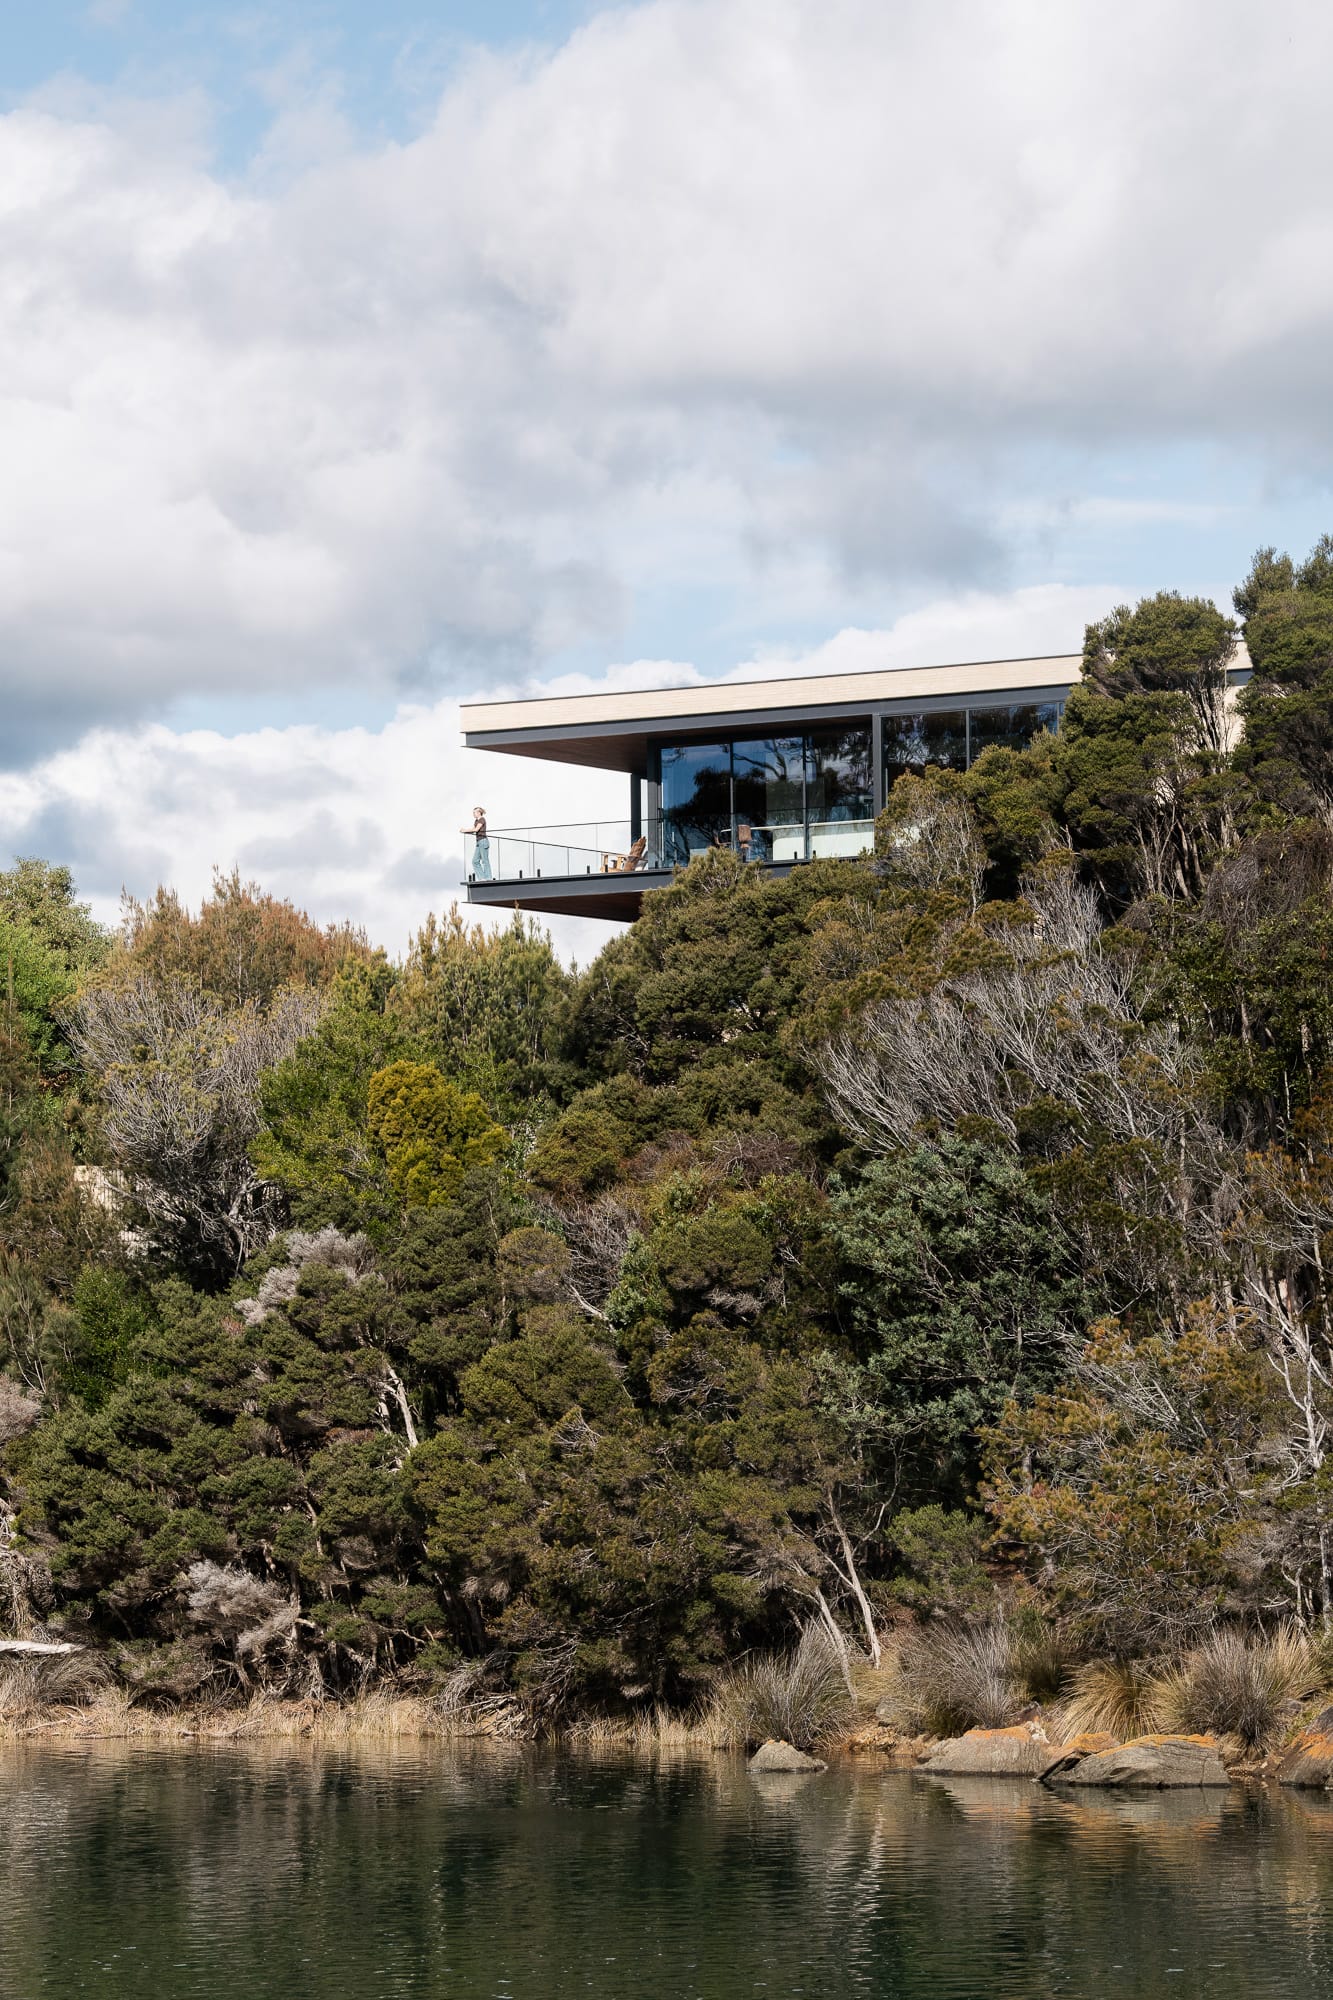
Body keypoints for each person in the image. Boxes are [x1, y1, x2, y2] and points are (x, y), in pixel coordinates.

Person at [464, 805, 492, 881]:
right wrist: (465, 831)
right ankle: (482, 878)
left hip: (483, 841)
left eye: (474, 813)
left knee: (485, 860)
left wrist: (464, 830)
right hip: (478, 842)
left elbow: (476, 829)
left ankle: (488, 877)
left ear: (479, 813)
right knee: (475, 861)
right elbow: (474, 830)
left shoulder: (482, 819)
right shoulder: (476, 821)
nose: (473, 814)